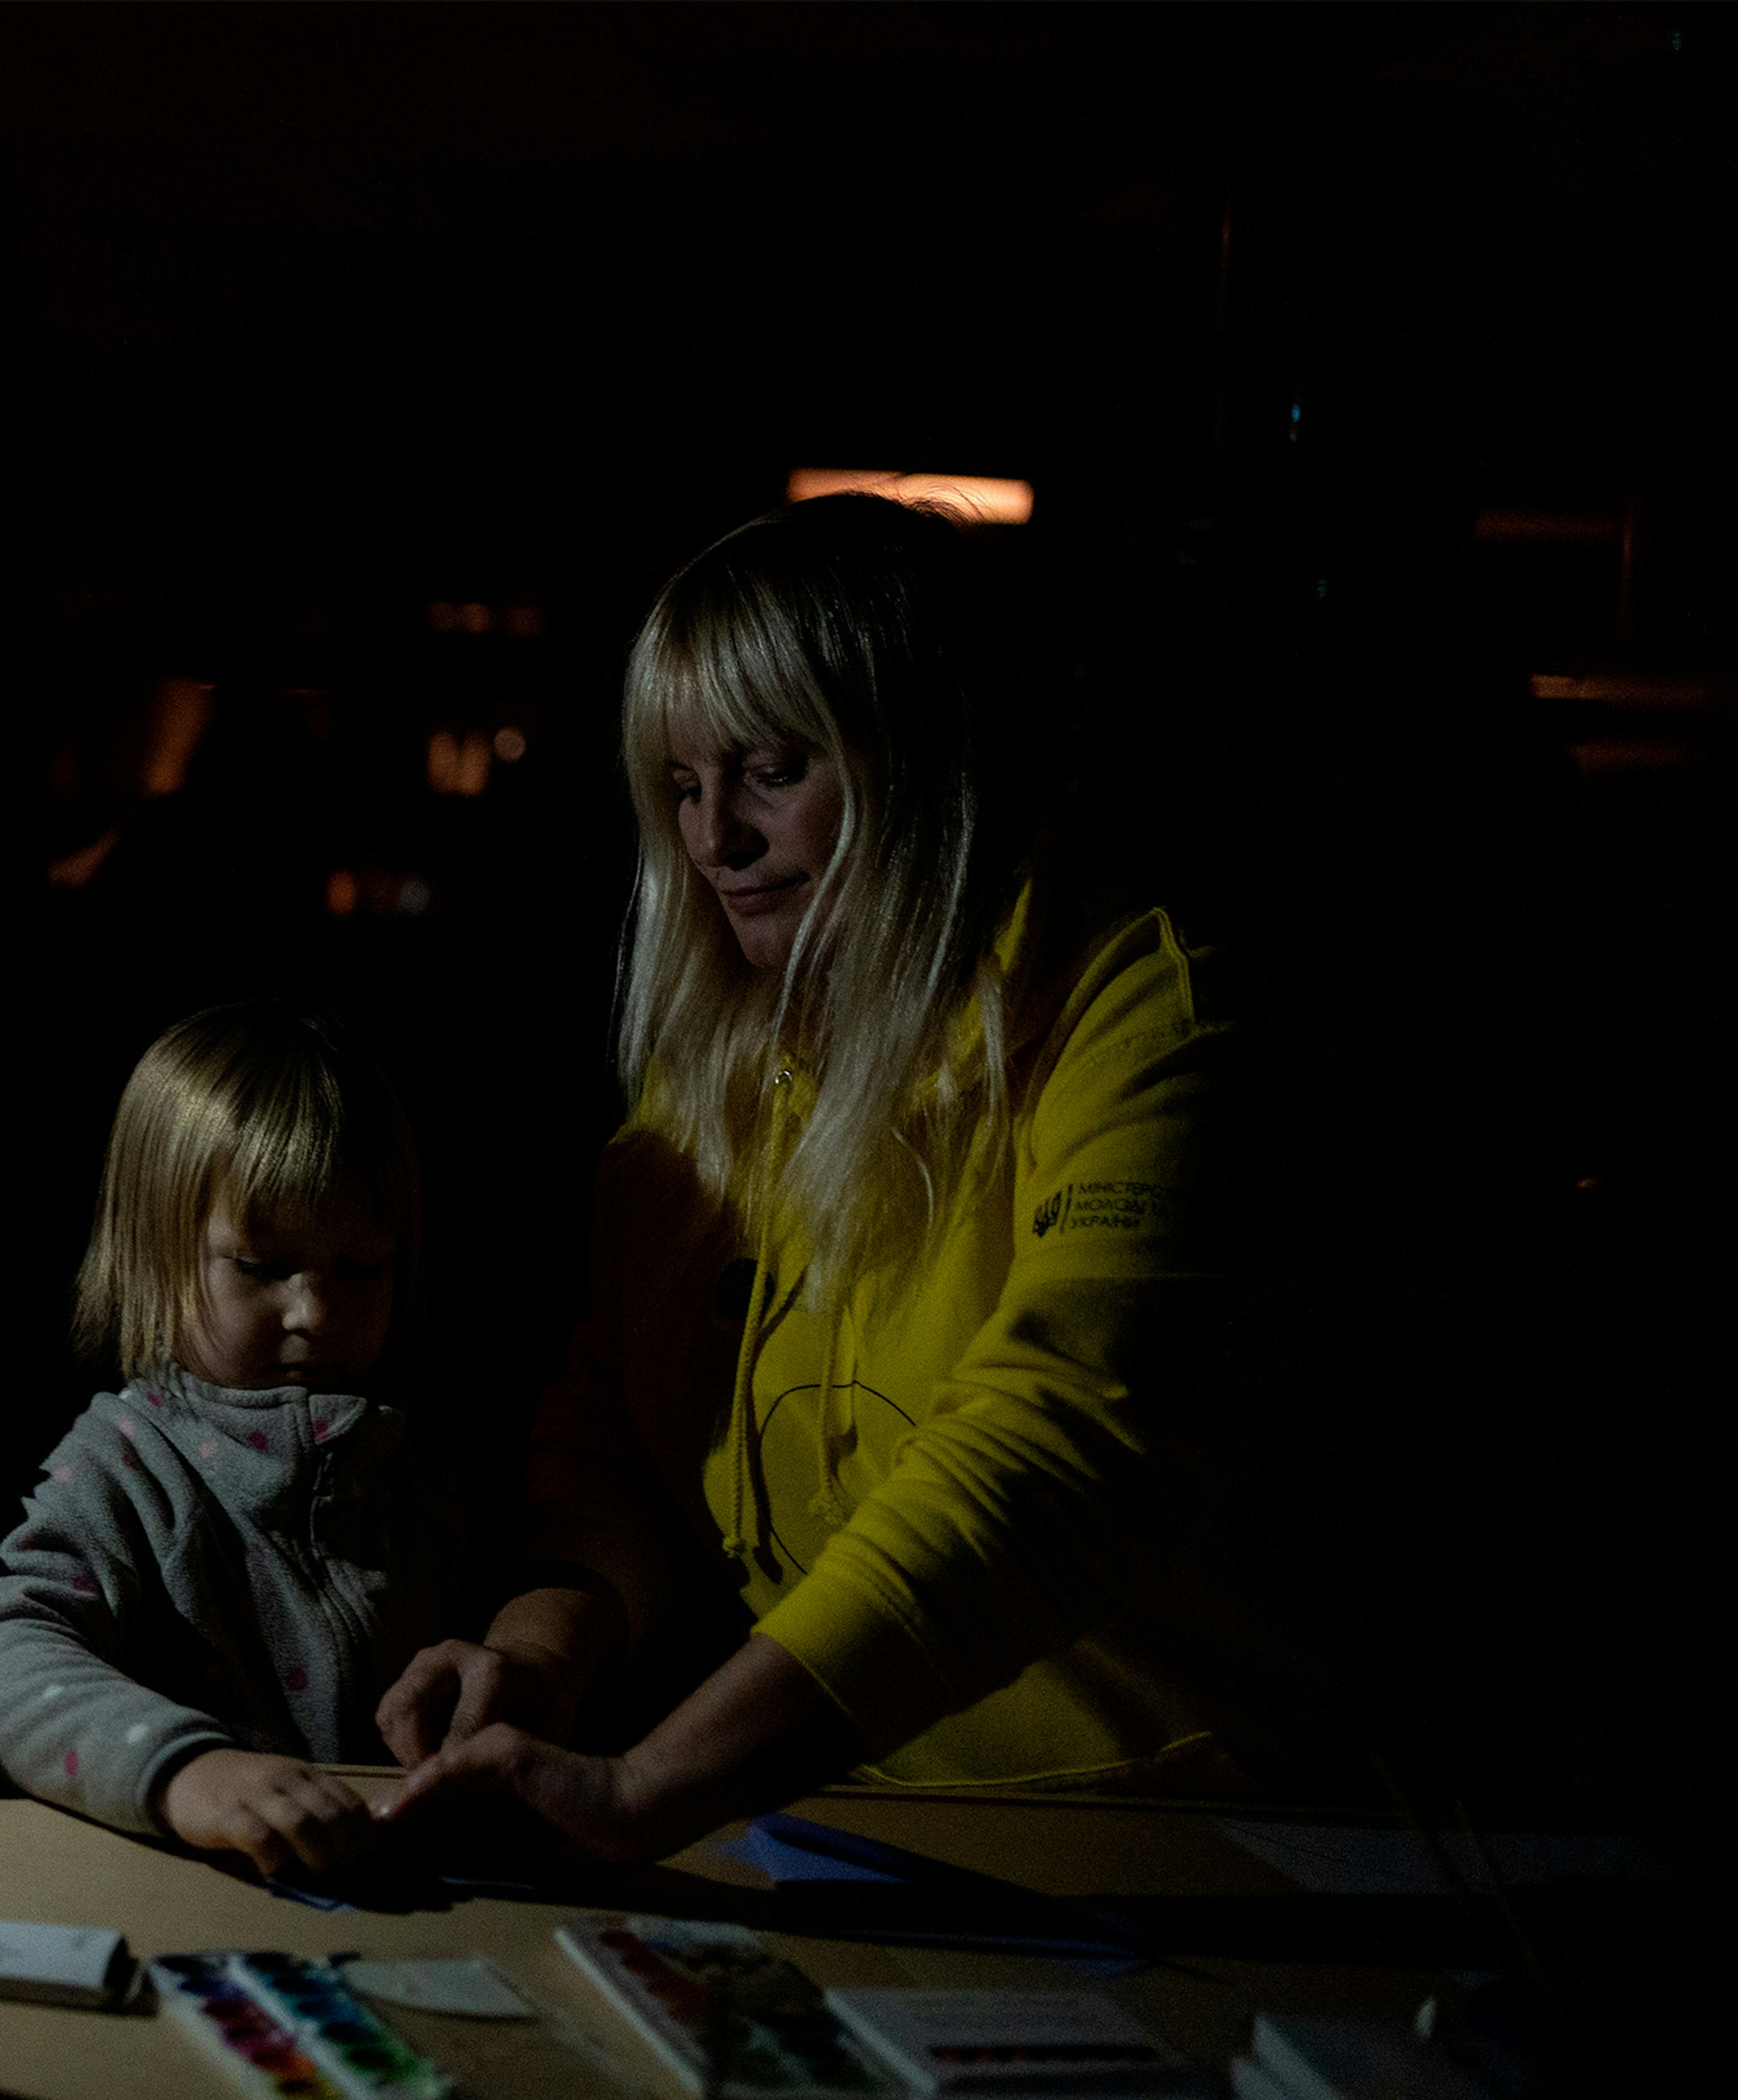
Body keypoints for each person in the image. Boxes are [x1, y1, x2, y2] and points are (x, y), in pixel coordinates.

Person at [377, 492, 1306, 1860]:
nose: (714, 841)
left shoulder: (1137, 1004)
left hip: (1197, 1838)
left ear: (924, 755)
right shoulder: (731, 1065)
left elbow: (1058, 1451)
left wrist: (654, 1786)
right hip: (873, 1831)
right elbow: (626, 1425)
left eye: (769, 768)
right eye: (683, 788)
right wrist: (541, 1646)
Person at [0, 1004, 451, 1879]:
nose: (316, 1312)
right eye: (264, 1268)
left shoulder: (422, 1471)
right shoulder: (124, 1465)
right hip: (189, 1899)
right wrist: (187, 1771)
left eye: (362, 1267)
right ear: (153, 1252)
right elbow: (5, 1662)